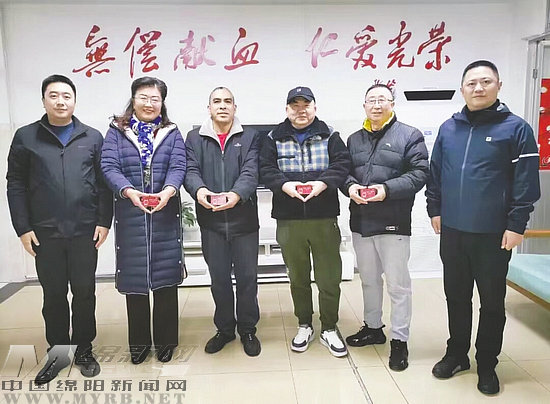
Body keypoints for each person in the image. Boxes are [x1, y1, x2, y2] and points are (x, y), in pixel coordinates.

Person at [426, 60, 541, 395]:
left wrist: (517, 224)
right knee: (456, 296)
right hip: (453, 231)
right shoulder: (449, 128)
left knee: (491, 302)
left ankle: (487, 363)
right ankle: (456, 354)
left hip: (493, 233)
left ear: (498, 86)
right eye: (472, 83)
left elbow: (526, 183)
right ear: (462, 89)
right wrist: (435, 209)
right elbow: (436, 172)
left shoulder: (516, 129)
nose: (478, 88)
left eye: (486, 82)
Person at [6, 74, 112, 384]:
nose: (61, 101)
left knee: (84, 292)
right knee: (53, 295)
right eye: (54, 95)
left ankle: (84, 350)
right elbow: (15, 183)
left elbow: (103, 184)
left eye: (67, 96)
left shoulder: (92, 137)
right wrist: (23, 227)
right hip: (45, 232)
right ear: (43, 101)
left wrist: (103, 221)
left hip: (84, 230)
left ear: (75, 101)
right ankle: (59, 354)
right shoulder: (26, 137)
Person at [260, 86, 351, 357]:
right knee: (297, 277)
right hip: (289, 220)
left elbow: (342, 164)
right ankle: (304, 324)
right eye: (295, 106)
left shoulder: (330, 135)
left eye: (306, 105)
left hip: (324, 217)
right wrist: (285, 185)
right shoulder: (273, 137)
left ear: (314, 107)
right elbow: (265, 169)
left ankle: (329, 327)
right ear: (287, 109)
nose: (301, 110)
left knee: (328, 277)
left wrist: (322, 184)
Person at [101, 76, 186, 365]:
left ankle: (166, 343)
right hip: (131, 214)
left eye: (155, 99)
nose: (149, 103)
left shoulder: (171, 132)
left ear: (162, 103)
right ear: (133, 100)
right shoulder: (117, 132)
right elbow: (108, 166)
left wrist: (168, 191)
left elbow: (178, 165)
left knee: (165, 278)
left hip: (165, 213)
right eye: (143, 97)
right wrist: (128, 191)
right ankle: (138, 345)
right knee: (135, 279)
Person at [343, 84, 429, 371]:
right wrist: (350, 187)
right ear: (364, 105)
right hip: (361, 221)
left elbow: (420, 174)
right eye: (371, 100)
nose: (377, 105)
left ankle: (399, 340)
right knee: (368, 279)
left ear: (392, 104)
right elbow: (343, 173)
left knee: (398, 285)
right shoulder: (354, 139)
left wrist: (386, 189)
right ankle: (373, 327)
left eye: (382, 100)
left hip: (393, 222)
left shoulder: (409, 135)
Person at [184, 86, 261, 357]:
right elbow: (190, 170)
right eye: (217, 101)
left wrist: (236, 195)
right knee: (219, 279)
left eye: (228, 101)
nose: (222, 106)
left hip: (244, 221)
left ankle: (248, 329)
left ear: (235, 107)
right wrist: (200, 191)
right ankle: (225, 329)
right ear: (209, 108)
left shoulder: (250, 136)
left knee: (247, 278)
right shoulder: (194, 138)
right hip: (211, 222)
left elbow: (251, 171)